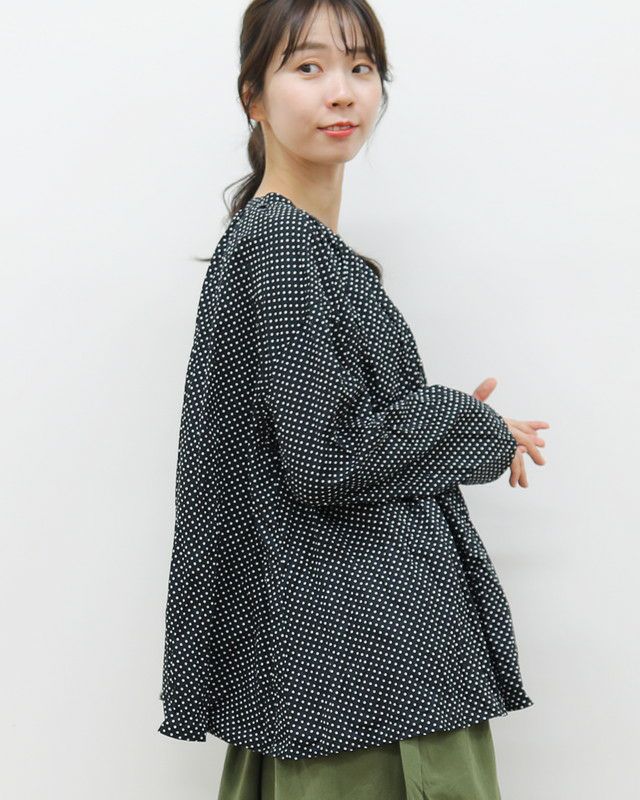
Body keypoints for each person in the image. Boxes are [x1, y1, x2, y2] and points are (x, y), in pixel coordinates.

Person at [157, 1, 550, 798]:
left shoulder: (294, 245)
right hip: (369, 668)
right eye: (308, 67)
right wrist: (461, 423)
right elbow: (326, 458)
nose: (342, 91)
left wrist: (447, 431)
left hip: (339, 665)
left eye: (361, 67)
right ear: (253, 96)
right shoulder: (280, 243)